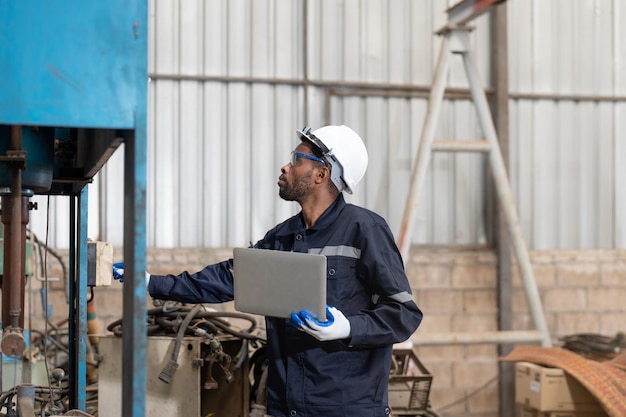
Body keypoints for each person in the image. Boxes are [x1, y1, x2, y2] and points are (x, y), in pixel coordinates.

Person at [115, 125, 423, 417]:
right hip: (285, 404)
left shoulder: (364, 230)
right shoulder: (281, 237)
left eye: (295, 160)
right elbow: (227, 279)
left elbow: (404, 314)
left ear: (321, 174)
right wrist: (149, 283)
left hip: (345, 406)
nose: (285, 167)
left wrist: (348, 328)